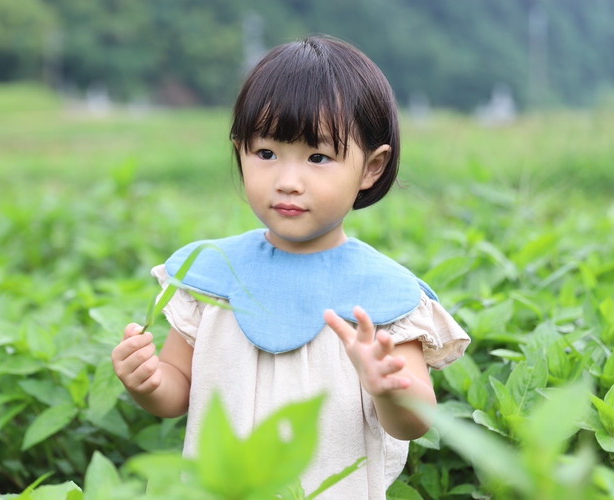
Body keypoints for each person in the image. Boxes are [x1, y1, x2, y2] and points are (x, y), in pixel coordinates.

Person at [112, 35, 470, 499]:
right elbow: (178, 391)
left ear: (371, 168)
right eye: (266, 153)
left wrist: (388, 389)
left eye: (318, 157)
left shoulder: (381, 297)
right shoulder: (216, 275)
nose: (287, 181)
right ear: (240, 149)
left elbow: (415, 423)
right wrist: (149, 381)